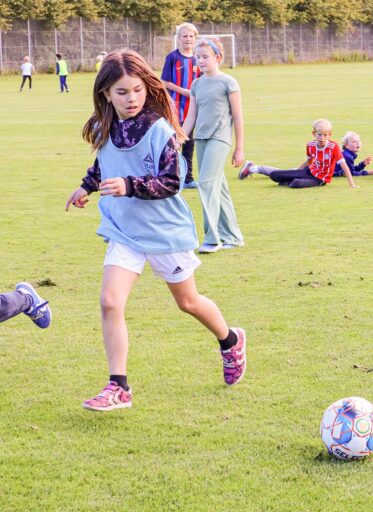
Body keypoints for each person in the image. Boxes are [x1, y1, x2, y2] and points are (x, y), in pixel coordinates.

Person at [65, 50, 246, 412]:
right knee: (110, 301)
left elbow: (173, 182)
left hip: (165, 233)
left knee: (188, 302)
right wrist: (86, 187)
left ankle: (230, 340)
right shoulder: (104, 128)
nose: (131, 99)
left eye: (136, 90)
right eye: (121, 92)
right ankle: (119, 386)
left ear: (146, 88)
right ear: (105, 94)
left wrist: (129, 185)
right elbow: (102, 165)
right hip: (124, 231)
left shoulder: (159, 129)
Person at [181, 37, 245, 254]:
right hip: (201, 139)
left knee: (206, 183)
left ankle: (212, 238)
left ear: (218, 57)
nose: (200, 60)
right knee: (220, 188)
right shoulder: (196, 84)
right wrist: (180, 137)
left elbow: (238, 117)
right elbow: (191, 117)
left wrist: (239, 148)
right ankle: (234, 237)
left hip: (220, 138)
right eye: (198, 57)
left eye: (205, 57)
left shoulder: (228, 82)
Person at [238, 119, 359, 189]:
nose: (322, 137)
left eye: (325, 135)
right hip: (308, 171)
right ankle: (253, 167)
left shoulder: (333, 147)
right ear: (314, 134)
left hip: (320, 179)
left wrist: (351, 183)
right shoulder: (310, 145)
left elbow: (344, 165)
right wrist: (297, 170)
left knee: (295, 183)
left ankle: (255, 168)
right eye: (319, 134)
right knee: (275, 175)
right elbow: (308, 161)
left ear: (329, 135)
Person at [162, 22, 201, 188]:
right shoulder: (172, 57)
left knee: (189, 144)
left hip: (194, 110)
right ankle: (168, 175)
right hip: (176, 108)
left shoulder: (199, 58)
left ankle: (188, 178)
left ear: (195, 38)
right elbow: (165, 82)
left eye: (191, 36)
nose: (188, 39)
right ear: (178, 39)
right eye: (185, 36)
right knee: (172, 142)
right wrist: (186, 92)